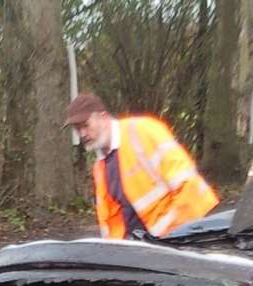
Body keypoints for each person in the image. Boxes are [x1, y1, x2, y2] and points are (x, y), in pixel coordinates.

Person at [64, 93, 218, 240]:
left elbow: (188, 187)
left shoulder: (142, 132)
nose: (82, 133)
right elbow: (113, 222)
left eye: (85, 125)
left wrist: (171, 238)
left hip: (178, 240)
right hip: (142, 253)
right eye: (77, 129)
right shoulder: (101, 166)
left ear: (103, 117)